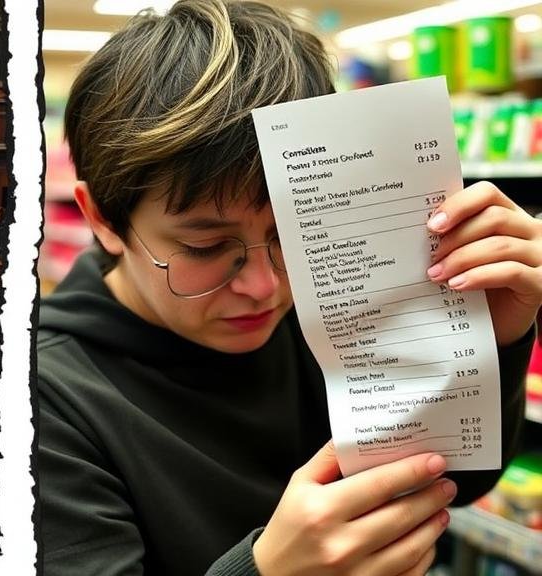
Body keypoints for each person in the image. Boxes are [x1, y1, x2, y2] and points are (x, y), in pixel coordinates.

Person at [37, 2, 542, 575]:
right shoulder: (45, 411)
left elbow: (450, 482)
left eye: (297, 236)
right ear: (102, 219)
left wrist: (487, 346)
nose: (265, 287)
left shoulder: (337, 298)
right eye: (205, 248)